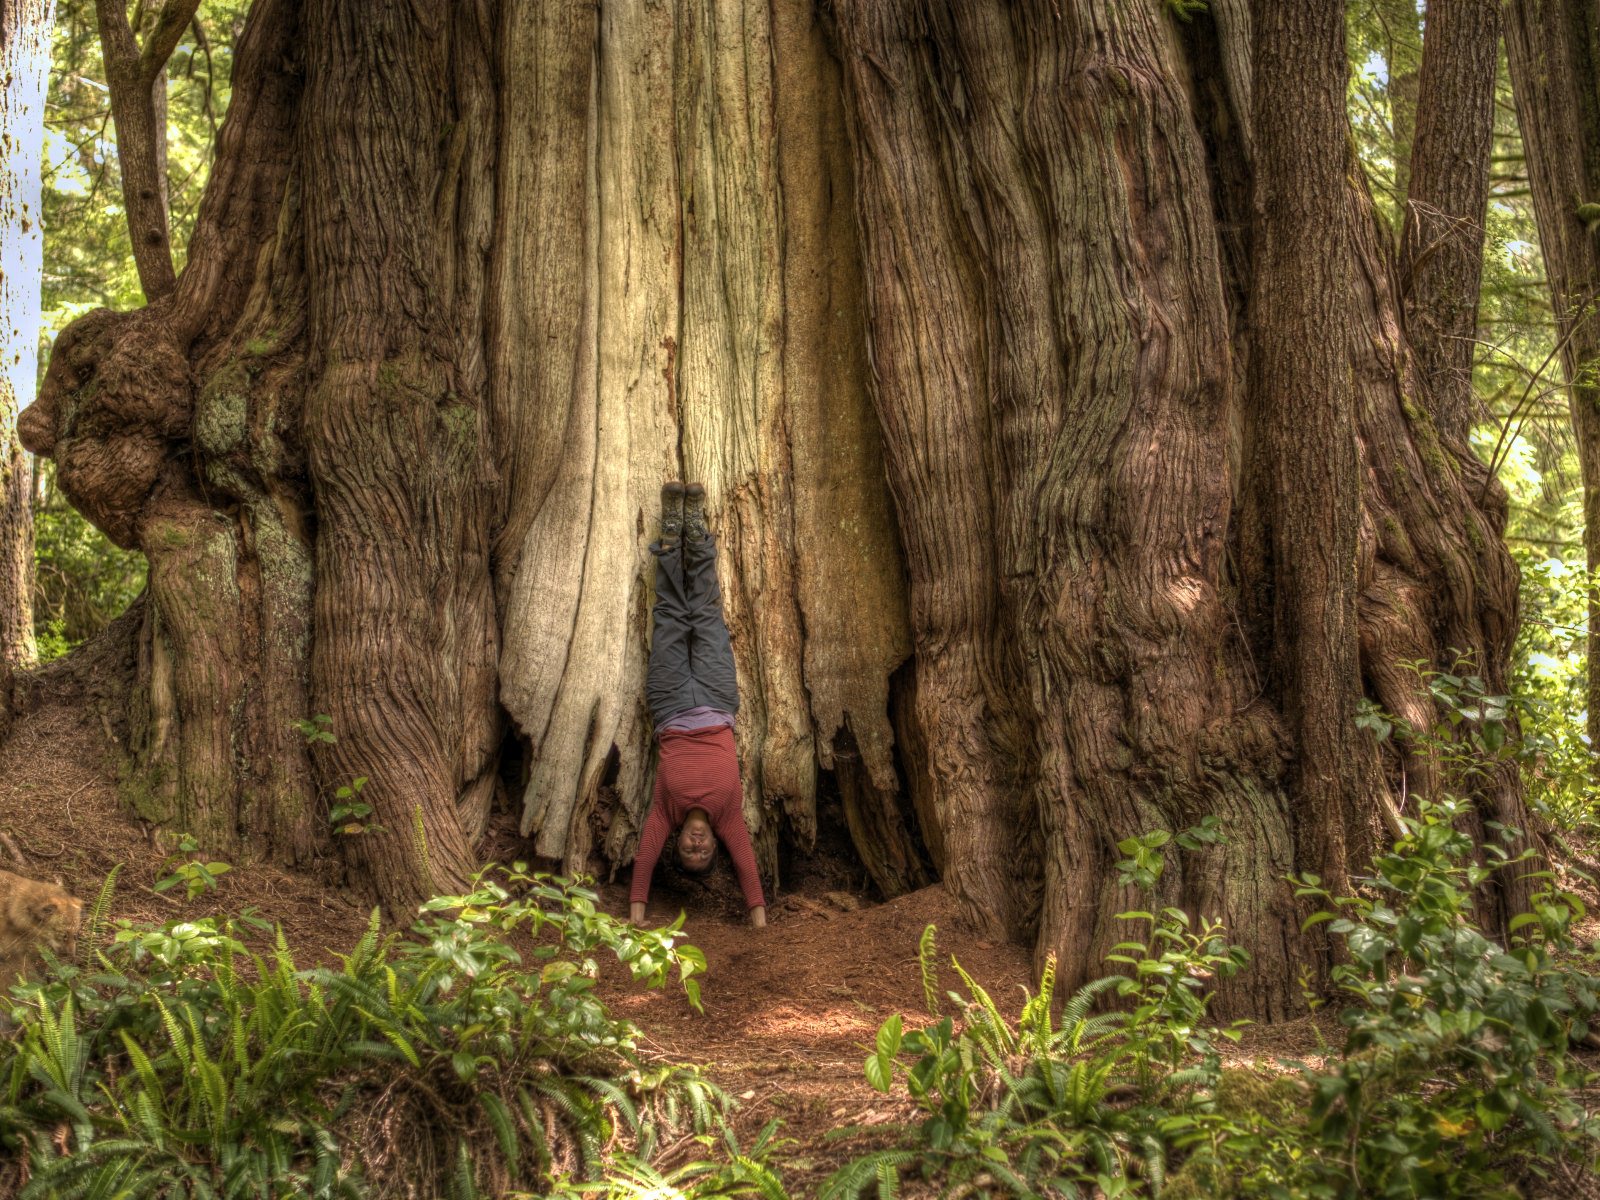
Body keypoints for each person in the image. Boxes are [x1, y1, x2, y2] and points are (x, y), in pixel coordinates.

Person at [629, 481, 767, 928]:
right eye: (703, 853)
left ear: (677, 843)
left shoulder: (664, 813)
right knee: (706, 612)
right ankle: (696, 530)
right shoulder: (727, 817)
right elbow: (746, 864)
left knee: (669, 613)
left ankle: (672, 535)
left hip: (669, 703)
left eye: (688, 852)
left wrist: (636, 916)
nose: (696, 847)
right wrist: (759, 920)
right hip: (716, 695)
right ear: (712, 845)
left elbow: (645, 860)